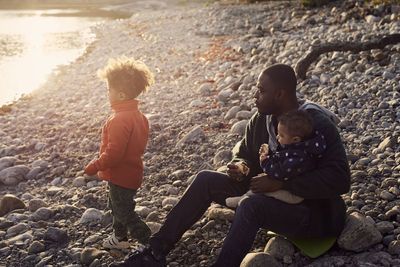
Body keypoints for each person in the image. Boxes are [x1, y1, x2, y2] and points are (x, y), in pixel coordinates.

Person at [110, 64, 350, 267]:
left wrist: (281, 182)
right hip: (270, 198)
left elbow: (340, 178)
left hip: (312, 215)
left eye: (261, 90)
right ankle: (155, 252)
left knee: (250, 206)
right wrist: (241, 166)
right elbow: (245, 154)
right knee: (205, 179)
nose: (255, 95)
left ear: (280, 94)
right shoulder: (261, 119)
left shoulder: (314, 123)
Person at [84, 56, 154, 250]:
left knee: (124, 212)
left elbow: (114, 154)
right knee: (117, 208)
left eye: (109, 90)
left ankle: (148, 241)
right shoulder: (139, 116)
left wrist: (94, 166)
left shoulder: (119, 120)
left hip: (120, 176)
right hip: (132, 173)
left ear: (121, 95)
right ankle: (120, 237)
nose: (107, 93)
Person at [225, 109, 327, 207]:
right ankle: (244, 199)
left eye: (281, 135)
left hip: (293, 194)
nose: (277, 137)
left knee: (263, 192)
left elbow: (279, 171)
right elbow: (279, 158)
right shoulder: (297, 149)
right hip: (290, 190)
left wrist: (265, 162)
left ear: (295, 139)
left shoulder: (298, 156)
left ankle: (243, 200)